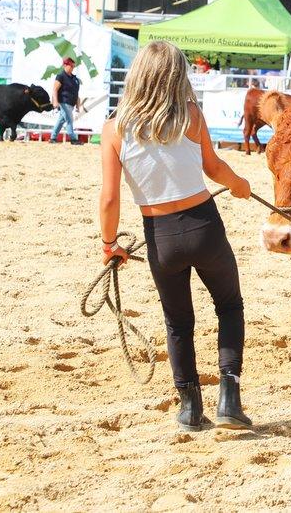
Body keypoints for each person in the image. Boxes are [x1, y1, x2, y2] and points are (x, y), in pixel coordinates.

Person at [98, 40, 254, 430]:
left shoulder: (114, 129)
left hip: (160, 235)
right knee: (229, 306)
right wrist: (239, 184)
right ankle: (229, 398)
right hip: (204, 225)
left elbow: (109, 197)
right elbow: (213, 166)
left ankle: (188, 408)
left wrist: (108, 243)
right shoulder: (190, 115)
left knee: (177, 322)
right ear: (176, 75)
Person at [50, 57, 83, 144]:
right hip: (63, 102)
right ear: (65, 65)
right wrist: (55, 101)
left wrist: (78, 105)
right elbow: (55, 89)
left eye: (73, 66)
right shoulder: (61, 76)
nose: (72, 68)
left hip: (71, 104)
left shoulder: (75, 79)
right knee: (69, 120)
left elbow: (76, 94)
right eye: (71, 66)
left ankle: (53, 138)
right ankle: (73, 139)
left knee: (61, 120)